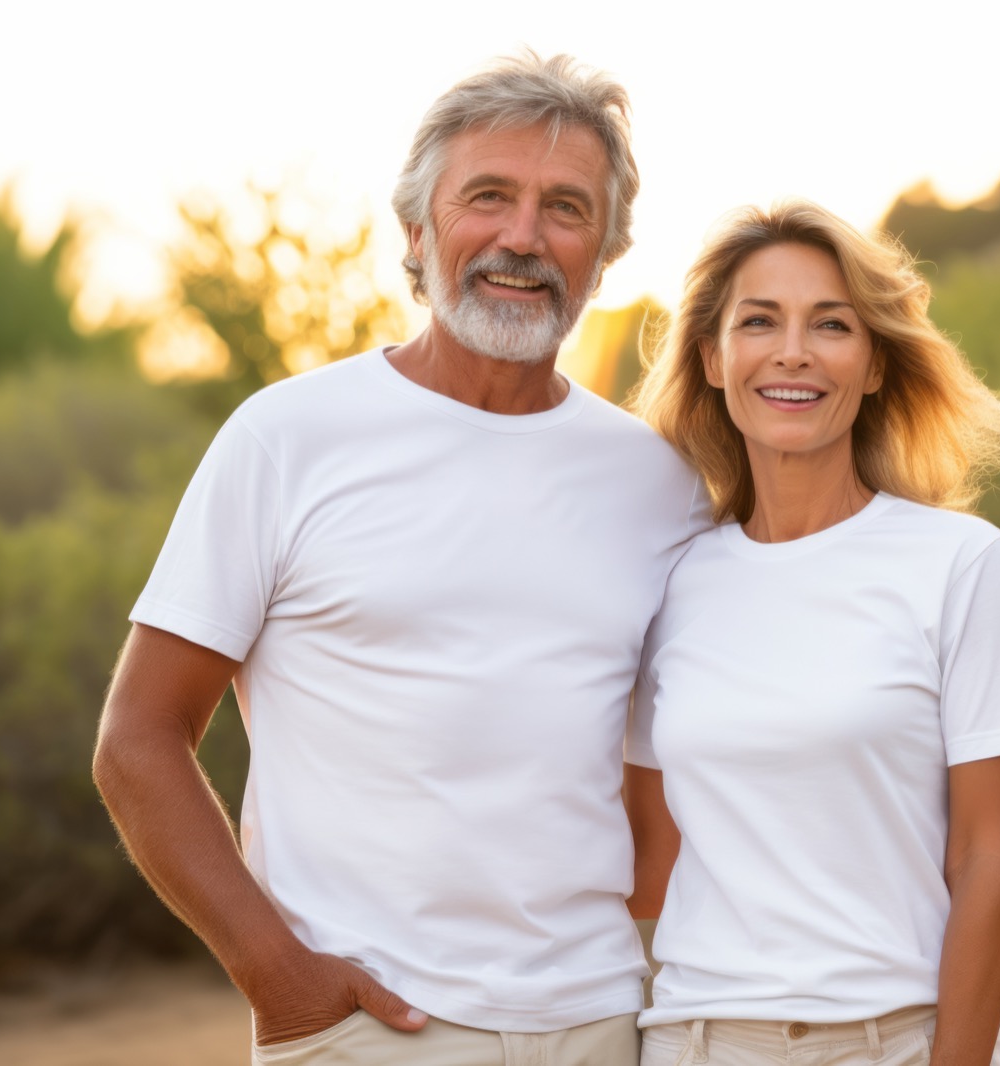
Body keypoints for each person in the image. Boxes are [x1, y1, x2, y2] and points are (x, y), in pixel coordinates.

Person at [93, 53, 708, 1066]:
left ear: (606, 252)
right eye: (488, 197)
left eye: (565, 206)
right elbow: (139, 738)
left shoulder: (657, 482)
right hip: (371, 1029)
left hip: (604, 1022)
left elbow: (654, 788)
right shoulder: (286, 438)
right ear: (417, 233)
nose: (523, 235)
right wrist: (280, 979)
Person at [624, 201, 1000, 1066]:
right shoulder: (668, 584)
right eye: (760, 321)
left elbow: (990, 855)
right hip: (697, 1041)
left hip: (894, 1042)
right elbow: (650, 861)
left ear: (872, 366)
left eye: (831, 325)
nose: (793, 350)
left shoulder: (962, 564)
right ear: (713, 359)